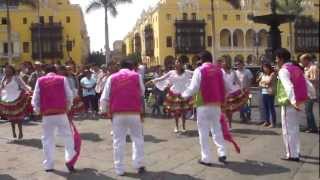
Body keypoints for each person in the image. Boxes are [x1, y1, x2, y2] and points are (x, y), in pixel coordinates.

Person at [100, 58, 146, 176]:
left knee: (118, 141)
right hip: (134, 113)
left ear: (120, 67)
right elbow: (142, 92)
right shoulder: (136, 76)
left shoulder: (112, 77)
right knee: (137, 139)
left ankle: (119, 169)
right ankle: (138, 164)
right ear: (131, 67)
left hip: (118, 113)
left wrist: (103, 110)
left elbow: (104, 97)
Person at [181, 51, 227, 165]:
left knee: (203, 132)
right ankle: (222, 153)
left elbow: (194, 87)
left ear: (201, 60)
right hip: (216, 104)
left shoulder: (199, 70)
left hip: (203, 104)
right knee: (217, 129)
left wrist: (184, 94)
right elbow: (225, 86)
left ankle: (206, 158)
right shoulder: (219, 70)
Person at [31, 64, 78, 172]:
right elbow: (69, 95)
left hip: (47, 115)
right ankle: (69, 160)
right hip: (61, 113)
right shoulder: (62, 79)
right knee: (67, 137)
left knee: (48, 139)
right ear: (55, 71)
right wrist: (68, 108)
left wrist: (38, 111)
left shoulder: (40, 80)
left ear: (45, 71)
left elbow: (35, 99)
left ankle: (49, 165)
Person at [275, 48, 315, 162]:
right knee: (294, 128)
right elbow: (307, 83)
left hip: (289, 104)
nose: (276, 60)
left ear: (281, 59)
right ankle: (295, 151)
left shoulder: (283, 70)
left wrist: (293, 102)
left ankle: (292, 154)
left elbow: (288, 87)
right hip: (298, 101)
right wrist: (312, 94)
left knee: (287, 129)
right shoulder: (296, 68)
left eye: (276, 58)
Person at [147, 56, 193, 133]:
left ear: (182, 64)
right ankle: (176, 126)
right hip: (174, 94)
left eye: (179, 62)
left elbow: (197, 73)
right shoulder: (171, 72)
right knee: (176, 112)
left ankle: (184, 127)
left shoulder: (187, 72)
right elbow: (162, 78)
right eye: (176, 62)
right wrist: (152, 81)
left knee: (183, 112)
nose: (177, 63)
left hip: (184, 95)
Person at [0, 65, 32, 139]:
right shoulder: (4, 78)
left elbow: (23, 85)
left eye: (9, 70)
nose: (7, 71)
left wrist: (29, 90)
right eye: (6, 70)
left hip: (16, 97)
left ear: (12, 70)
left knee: (18, 117)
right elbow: (1, 87)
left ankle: (20, 131)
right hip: (7, 98)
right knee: (11, 117)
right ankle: (14, 131)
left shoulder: (16, 78)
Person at [220, 56, 248, 129]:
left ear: (228, 62)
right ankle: (224, 124)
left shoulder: (232, 71)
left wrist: (241, 89)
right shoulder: (220, 71)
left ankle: (229, 124)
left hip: (233, 91)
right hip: (224, 93)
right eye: (222, 62)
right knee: (224, 110)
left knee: (229, 110)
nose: (223, 63)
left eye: (224, 61)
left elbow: (237, 81)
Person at [299, 53, 319, 133]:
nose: (301, 62)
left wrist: (304, 78)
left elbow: (315, 80)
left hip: (311, 92)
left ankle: (313, 128)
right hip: (307, 91)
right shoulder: (306, 68)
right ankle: (309, 126)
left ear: (307, 60)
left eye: (302, 60)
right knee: (307, 111)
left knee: (308, 110)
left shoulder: (313, 68)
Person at [259, 63, 277, 128]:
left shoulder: (272, 74)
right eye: (264, 67)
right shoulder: (263, 74)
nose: (265, 69)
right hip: (264, 92)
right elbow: (259, 83)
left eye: (266, 67)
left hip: (270, 92)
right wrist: (264, 84)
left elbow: (268, 82)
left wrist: (263, 83)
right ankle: (267, 121)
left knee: (271, 108)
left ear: (269, 68)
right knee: (265, 108)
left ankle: (273, 122)